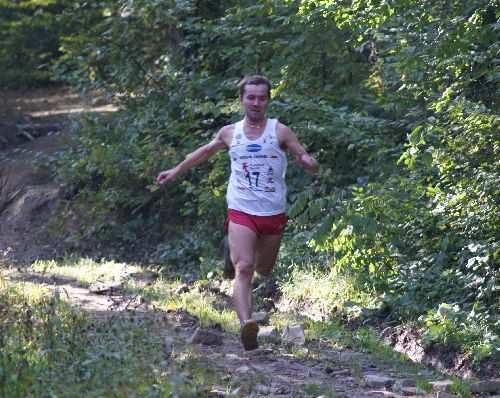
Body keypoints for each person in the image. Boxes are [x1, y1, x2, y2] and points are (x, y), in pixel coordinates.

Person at [156, 75, 318, 350]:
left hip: (273, 212)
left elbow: (302, 154)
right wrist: (176, 170)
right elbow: (204, 153)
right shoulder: (230, 133)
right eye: (251, 97)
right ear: (242, 100)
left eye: (261, 98)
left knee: (264, 269)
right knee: (245, 268)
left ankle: (233, 252)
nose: (256, 102)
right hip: (241, 209)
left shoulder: (280, 131)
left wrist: (307, 161)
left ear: (267, 100)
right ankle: (247, 326)